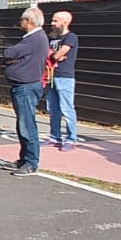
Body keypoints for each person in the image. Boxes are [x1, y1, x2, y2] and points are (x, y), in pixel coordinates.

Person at [2, 7, 49, 176]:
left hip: (26, 87)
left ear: (28, 21)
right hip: (23, 85)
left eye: (23, 20)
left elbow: (10, 52)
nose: (21, 22)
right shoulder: (36, 39)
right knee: (23, 124)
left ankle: (31, 162)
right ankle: (24, 159)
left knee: (27, 125)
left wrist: (13, 60)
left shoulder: (34, 38)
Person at [45, 11, 80, 150]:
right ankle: (55, 137)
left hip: (64, 77)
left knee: (67, 108)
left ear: (64, 22)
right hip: (51, 75)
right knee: (53, 109)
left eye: (55, 21)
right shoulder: (51, 37)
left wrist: (54, 55)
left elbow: (59, 54)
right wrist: (54, 56)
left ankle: (71, 139)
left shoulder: (71, 37)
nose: (52, 23)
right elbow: (46, 53)